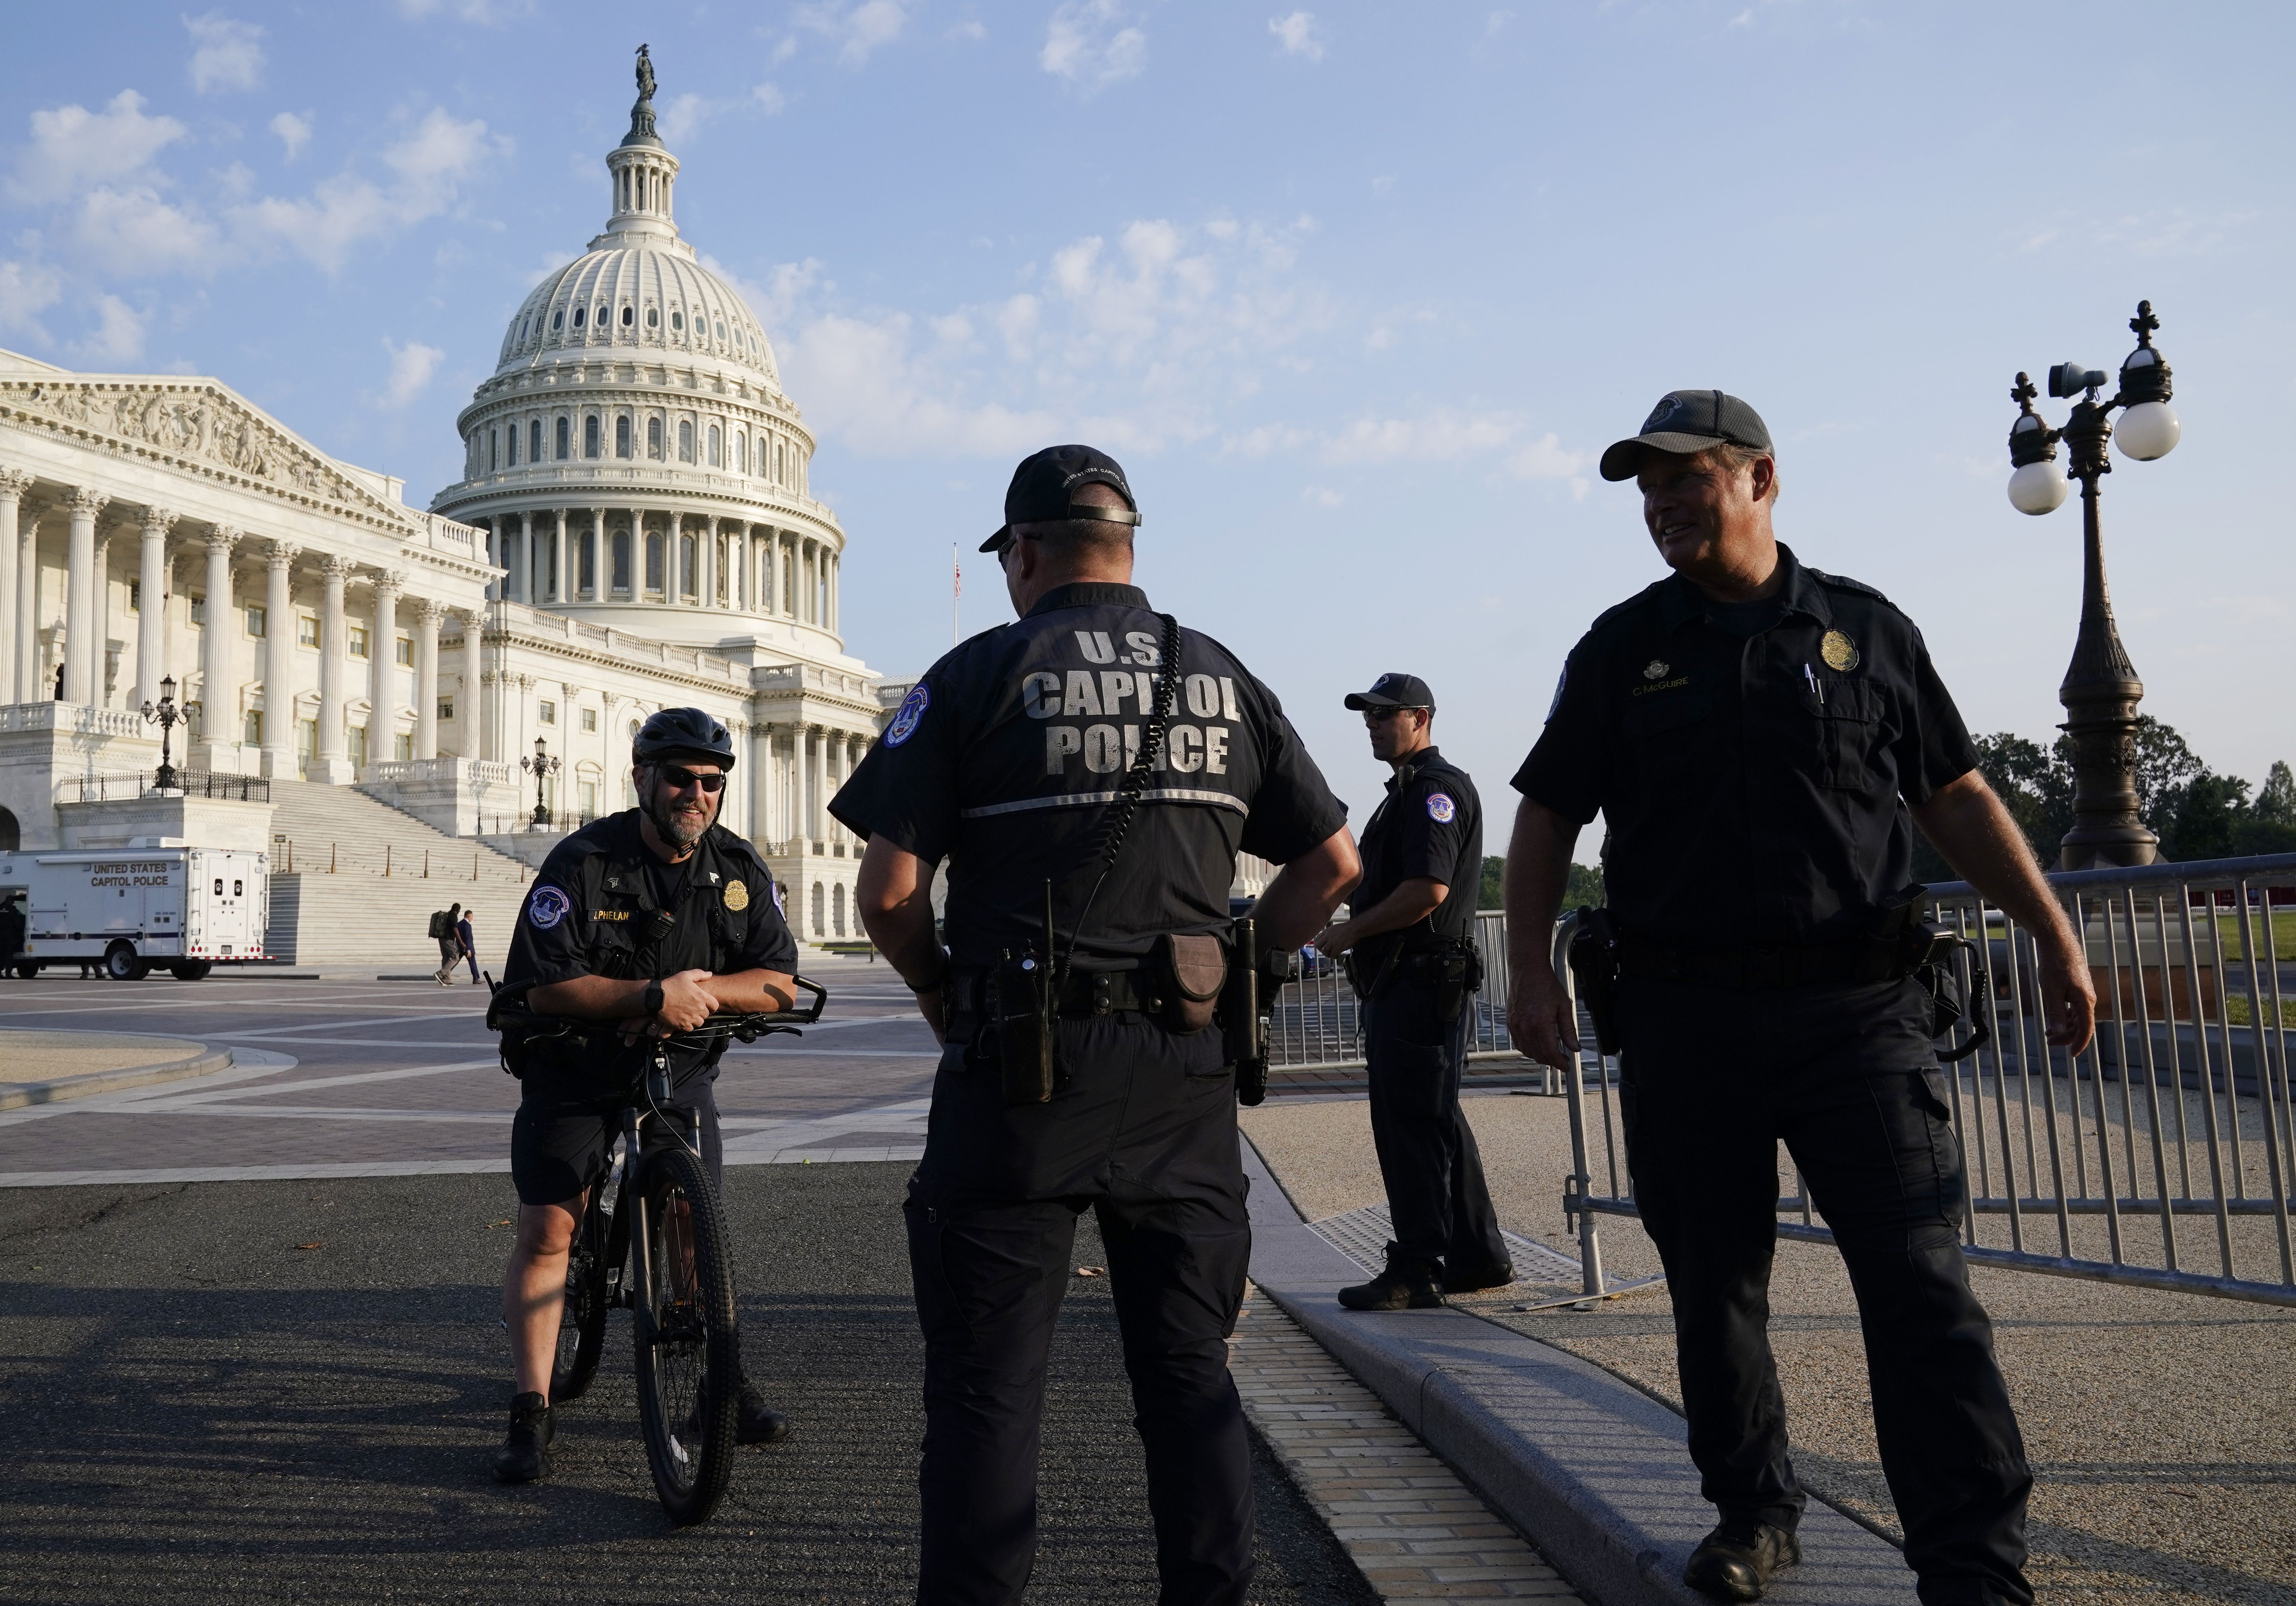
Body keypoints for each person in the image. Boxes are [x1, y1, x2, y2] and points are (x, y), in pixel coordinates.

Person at [1503, 390, 2097, 1606]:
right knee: (1713, 1290)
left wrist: (2051, 928)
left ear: (1760, 478)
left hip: (1861, 1017)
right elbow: (1547, 812)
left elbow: (1955, 796)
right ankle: (1753, 1511)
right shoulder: (1619, 650)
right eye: (1645, 487)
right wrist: (1523, 968)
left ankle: (1973, 1569)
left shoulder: (1866, 633)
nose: (1662, 503)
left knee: (1920, 1291)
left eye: (1687, 478)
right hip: (1683, 1020)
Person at [834, 444, 1360, 1606]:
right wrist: (1244, 970)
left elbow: (884, 895)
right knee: (1190, 1379)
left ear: (1023, 552)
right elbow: (1334, 864)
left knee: (987, 1391)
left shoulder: (981, 672)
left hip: (1020, 1068)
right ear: (1129, 544)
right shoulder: (1218, 673)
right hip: (1183, 1067)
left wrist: (939, 992)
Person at [491, 706, 799, 1484]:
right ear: (642, 780)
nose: (696, 793)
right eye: (680, 779)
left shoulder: (734, 868)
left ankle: (712, 1380)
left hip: (680, 1063)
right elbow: (547, 984)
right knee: (548, 1229)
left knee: (696, 1223)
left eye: (711, 781)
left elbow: (780, 980)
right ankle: (532, 1403)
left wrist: (700, 992)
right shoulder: (584, 860)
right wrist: (648, 994)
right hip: (576, 1064)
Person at [1313, 673, 1511, 1310]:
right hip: (1415, 981)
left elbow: (1428, 890)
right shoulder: (1402, 794)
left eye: (1385, 715)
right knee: (1435, 1118)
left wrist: (1348, 935)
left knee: (1412, 1126)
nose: (1372, 725)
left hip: (1421, 981)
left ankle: (1418, 1268)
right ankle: (1476, 1254)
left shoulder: (1433, 791)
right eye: (1368, 717)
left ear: (1421, 717)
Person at [0, 895, 25, 979]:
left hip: (0, 935)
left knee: (1, 955)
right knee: (9, 955)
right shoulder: (13, 911)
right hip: (9, 935)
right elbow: (19, 924)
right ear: (12, 902)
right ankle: (8, 974)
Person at [434, 898, 465, 986]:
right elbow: (455, 929)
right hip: (449, 939)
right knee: (456, 957)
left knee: (446, 957)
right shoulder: (453, 916)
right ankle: (441, 973)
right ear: (458, 910)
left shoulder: (447, 915)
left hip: (442, 938)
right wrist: (461, 942)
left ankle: (446, 980)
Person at [458, 908, 485, 985]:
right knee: (473, 963)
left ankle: (445, 974)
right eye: (472, 917)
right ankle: (476, 979)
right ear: (469, 916)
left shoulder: (459, 924)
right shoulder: (468, 925)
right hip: (467, 948)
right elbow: (468, 938)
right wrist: (469, 949)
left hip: (460, 947)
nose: (472, 918)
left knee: (454, 962)